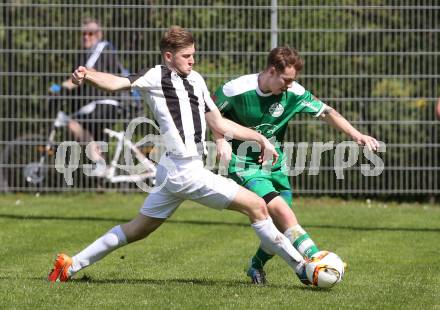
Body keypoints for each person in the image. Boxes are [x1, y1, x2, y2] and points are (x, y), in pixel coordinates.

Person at [48, 27, 310, 284]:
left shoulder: (196, 80)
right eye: (186, 56)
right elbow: (117, 83)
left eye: (193, 54)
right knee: (257, 205)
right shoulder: (155, 76)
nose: (192, 60)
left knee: (137, 229)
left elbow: (219, 124)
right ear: (169, 57)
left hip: (174, 170)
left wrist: (260, 138)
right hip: (184, 171)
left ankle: (70, 265)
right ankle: (302, 268)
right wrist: (88, 74)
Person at [212, 46, 380, 284]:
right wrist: (220, 141)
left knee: (283, 225)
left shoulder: (292, 92)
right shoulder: (236, 89)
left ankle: (256, 265)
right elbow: (208, 113)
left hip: (275, 164)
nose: (289, 85)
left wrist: (357, 135)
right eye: (286, 79)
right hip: (244, 164)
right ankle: (314, 259)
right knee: (282, 211)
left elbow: (327, 112)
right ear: (272, 70)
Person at [49, 17, 129, 171]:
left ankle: (99, 164)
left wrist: (63, 86)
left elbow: (95, 74)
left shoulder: (104, 49)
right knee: (94, 140)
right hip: (90, 107)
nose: (86, 36)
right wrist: (60, 89)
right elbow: (76, 83)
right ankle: (101, 175)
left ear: (99, 35)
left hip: (106, 104)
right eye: (84, 33)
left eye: (90, 34)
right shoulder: (81, 55)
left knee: (72, 124)